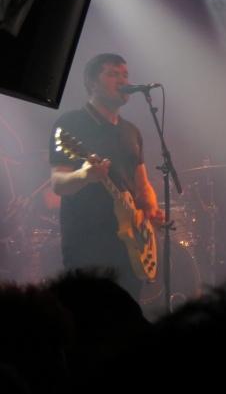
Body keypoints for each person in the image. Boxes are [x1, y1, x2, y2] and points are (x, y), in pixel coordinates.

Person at [49, 54, 164, 299]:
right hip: (88, 245)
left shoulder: (131, 130)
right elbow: (58, 183)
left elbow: (142, 185)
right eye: (113, 74)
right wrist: (84, 175)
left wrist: (150, 209)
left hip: (130, 248)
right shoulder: (71, 123)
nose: (123, 81)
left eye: (125, 75)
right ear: (92, 83)